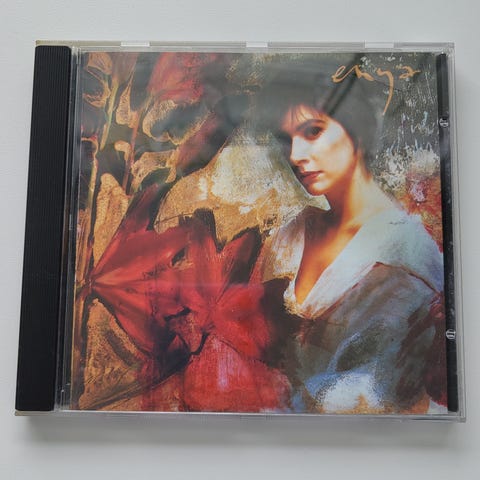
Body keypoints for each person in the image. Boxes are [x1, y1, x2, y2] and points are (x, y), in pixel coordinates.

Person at [256, 58, 447, 414]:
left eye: (313, 131)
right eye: (286, 139)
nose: (295, 155)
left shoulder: (407, 254)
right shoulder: (291, 235)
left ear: (356, 126)